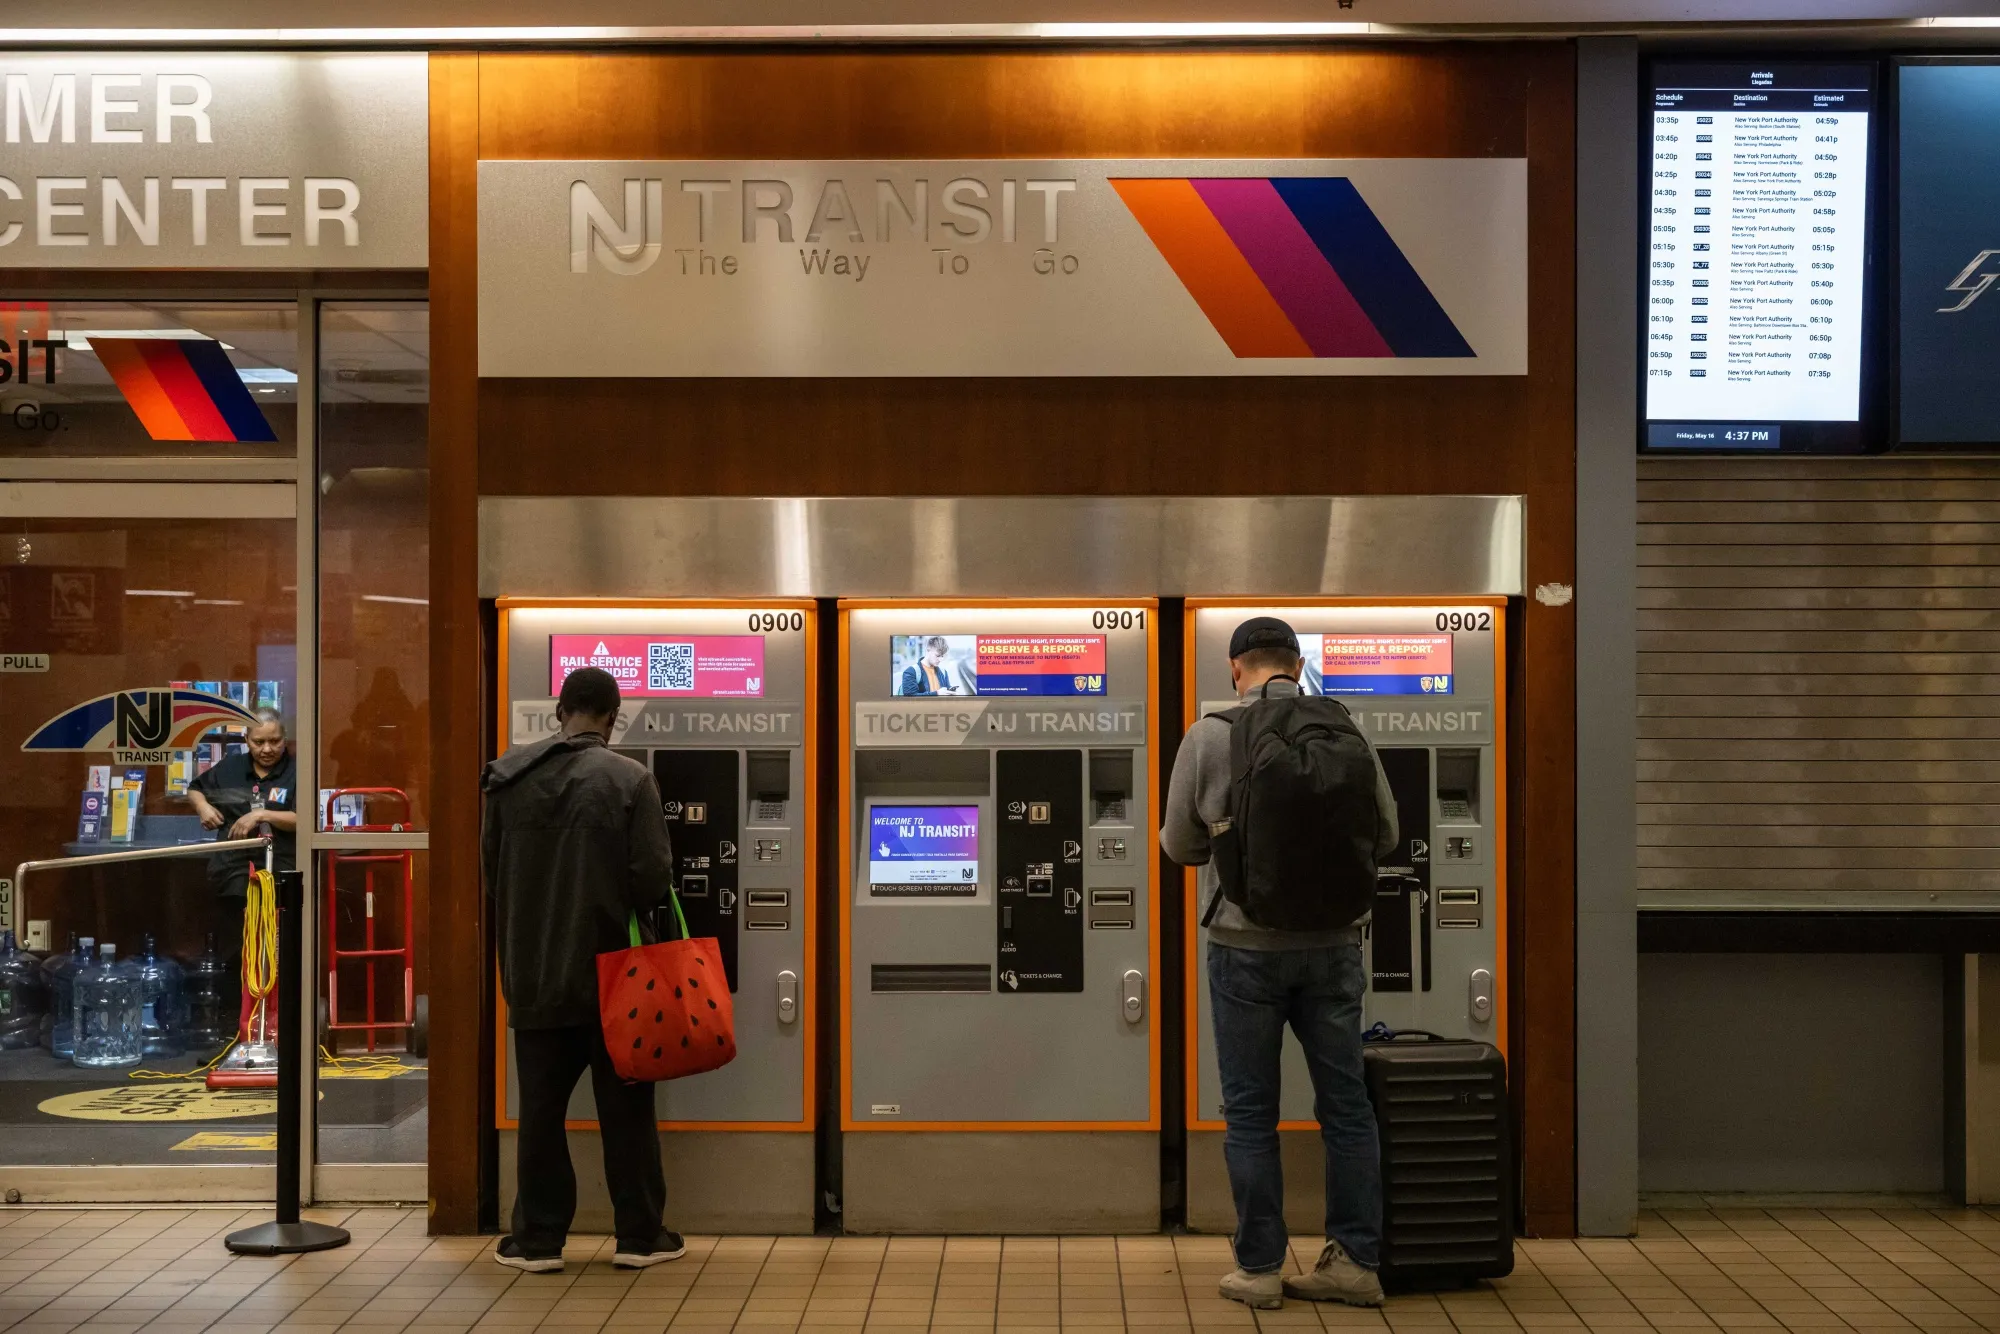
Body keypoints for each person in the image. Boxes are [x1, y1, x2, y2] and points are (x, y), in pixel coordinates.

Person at [1161, 617, 1398, 1310]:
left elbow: (1180, 847)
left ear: (1236, 669)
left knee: (1251, 1112)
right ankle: (1355, 1260)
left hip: (1244, 950)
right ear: (1298, 664)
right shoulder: (1347, 729)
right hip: (1333, 948)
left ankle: (1261, 1268)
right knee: (1347, 1107)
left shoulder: (1210, 735)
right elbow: (1386, 834)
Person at [481, 666, 683, 1273]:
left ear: (558, 712)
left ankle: (538, 1240)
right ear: (612, 719)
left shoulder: (507, 781)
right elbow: (653, 878)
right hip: (616, 977)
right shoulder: (630, 779)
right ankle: (638, 1238)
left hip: (536, 971)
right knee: (627, 1111)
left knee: (541, 1111)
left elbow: (493, 877)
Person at [186, 708, 296, 961]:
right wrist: (203, 807)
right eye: (259, 742)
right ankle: (239, 998)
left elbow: (303, 820)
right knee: (238, 949)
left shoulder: (296, 771)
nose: (267, 749)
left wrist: (261, 815)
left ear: (285, 739)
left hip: (280, 868)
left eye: (274, 741)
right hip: (234, 869)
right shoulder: (231, 767)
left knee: (278, 950)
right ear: (247, 740)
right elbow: (194, 789)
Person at [899, 635, 969, 695]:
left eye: (942, 656)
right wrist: (937, 693)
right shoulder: (911, 672)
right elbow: (910, 698)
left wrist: (951, 693)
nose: (940, 659)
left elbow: (945, 692)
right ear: (928, 650)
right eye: (937, 656)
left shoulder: (943, 672)